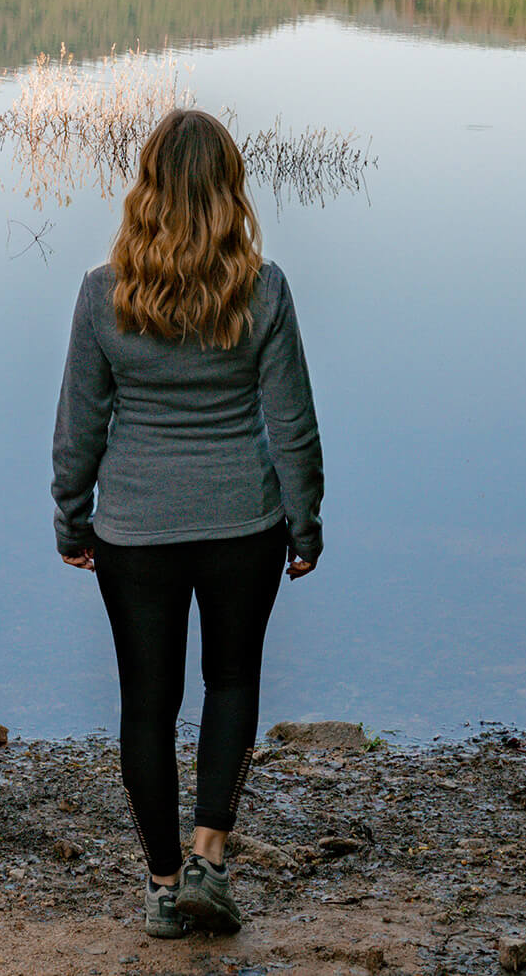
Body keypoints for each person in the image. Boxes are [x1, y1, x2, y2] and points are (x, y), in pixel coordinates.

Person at [51, 108, 324, 941]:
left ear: (148, 189)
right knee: (232, 682)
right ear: (228, 190)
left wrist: (72, 518)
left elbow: (80, 425)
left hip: (134, 528)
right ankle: (208, 855)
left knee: (147, 703)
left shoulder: (106, 293)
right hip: (245, 522)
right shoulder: (263, 288)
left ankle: (165, 888)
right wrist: (304, 523)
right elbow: (293, 425)